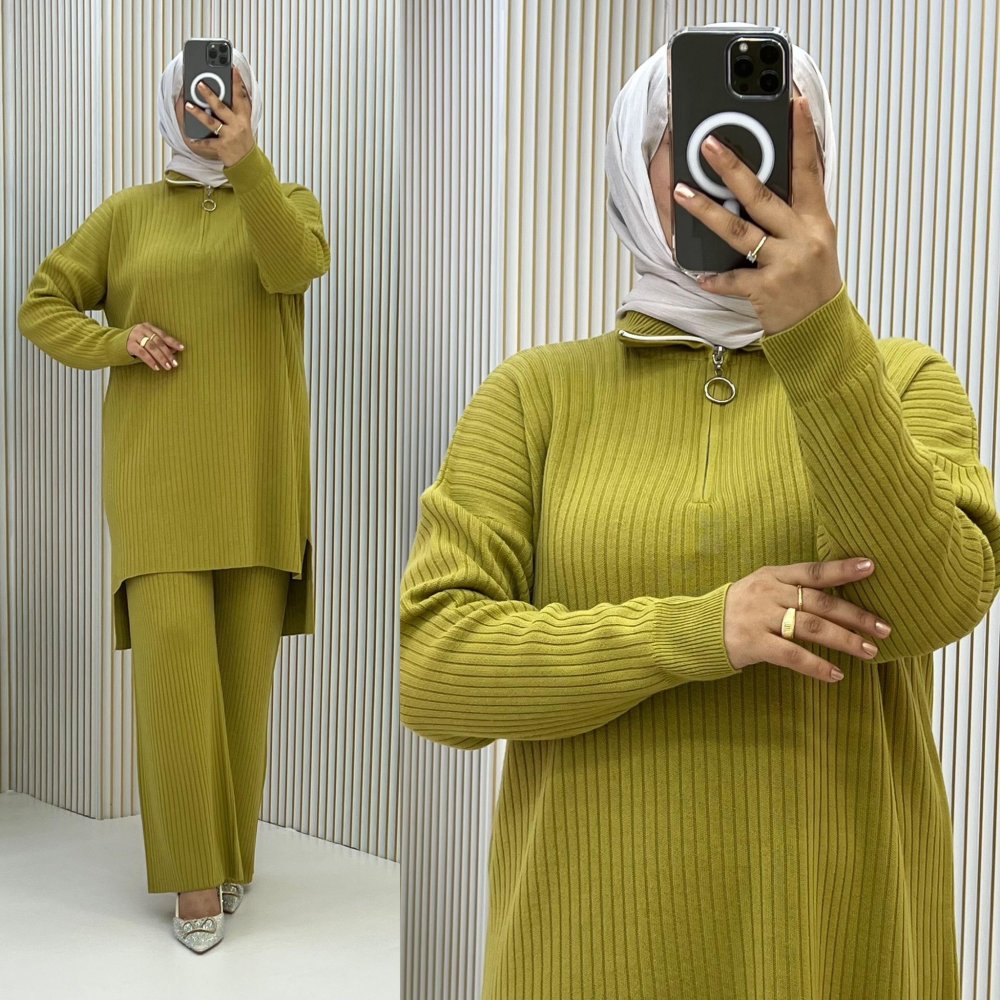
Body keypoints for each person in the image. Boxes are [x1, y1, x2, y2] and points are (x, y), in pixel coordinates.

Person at [399, 23, 1000, 999]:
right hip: (588, 955)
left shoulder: (900, 380)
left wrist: (817, 334)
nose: (735, 168)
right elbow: (436, 674)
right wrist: (698, 630)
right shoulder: (533, 396)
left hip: (829, 949)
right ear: (634, 164)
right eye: (698, 137)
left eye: (772, 139)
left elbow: (933, 604)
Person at [18, 47, 329, 953]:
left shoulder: (287, 200)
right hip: (158, 485)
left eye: (232, 95)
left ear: (250, 104)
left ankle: (231, 856)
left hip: (259, 481)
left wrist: (245, 162)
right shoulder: (125, 215)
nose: (216, 108)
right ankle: (195, 879)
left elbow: (294, 269)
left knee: (242, 689)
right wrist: (116, 342)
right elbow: (42, 305)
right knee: (174, 686)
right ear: (171, 103)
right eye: (201, 95)